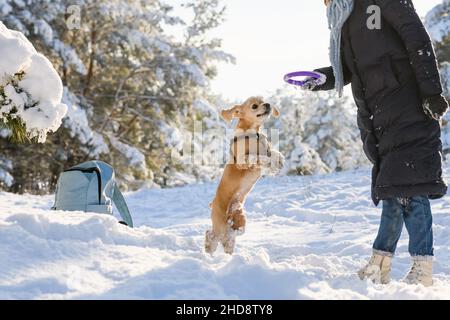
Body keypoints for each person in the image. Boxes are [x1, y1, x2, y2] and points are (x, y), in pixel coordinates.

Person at [305, 0, 449, 286]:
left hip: (408, 104)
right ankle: (380, 262)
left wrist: (432, 92)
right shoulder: (344, 17)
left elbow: (416, 37)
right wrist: (320, 78)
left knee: (412, 186)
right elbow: (349, 68)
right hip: (378, 116)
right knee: (393, 188)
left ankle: (422, 268)